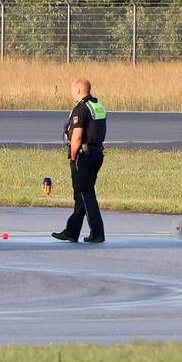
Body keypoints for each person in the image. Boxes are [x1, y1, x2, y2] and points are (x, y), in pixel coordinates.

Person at [52, 78, 107, 244]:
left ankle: (97, 232)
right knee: (80, 195)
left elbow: (76, 136)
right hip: (97, 153)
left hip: (84, 155)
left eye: (71, 90)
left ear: (78, 90)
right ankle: (72, 231)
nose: (71, 93)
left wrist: (73, 156)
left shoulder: (81, 108)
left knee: (85, 194)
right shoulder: (97, 105)